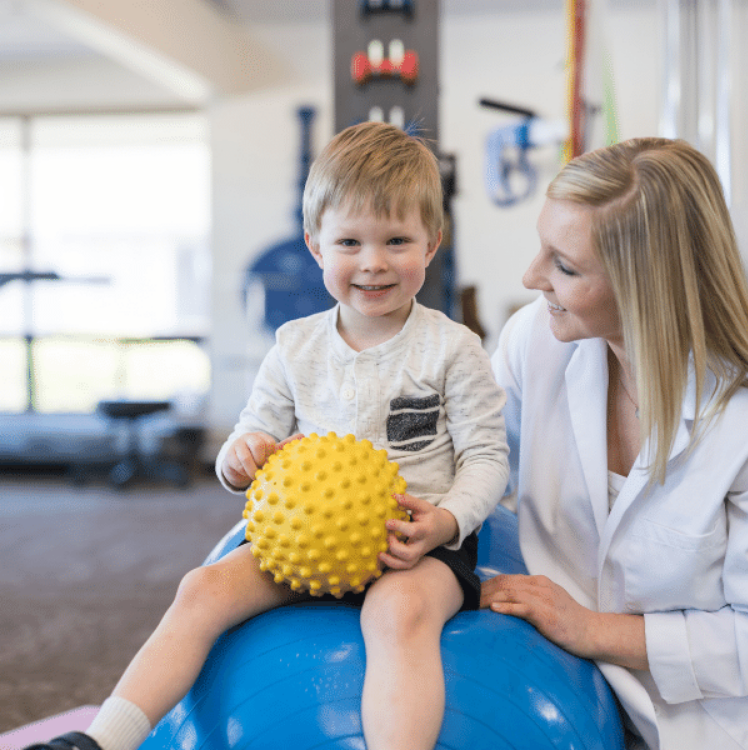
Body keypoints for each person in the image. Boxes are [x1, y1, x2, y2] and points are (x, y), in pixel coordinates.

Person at [30, 121, 509, 750]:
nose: (372, 262)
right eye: (349, 242)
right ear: (315, 245)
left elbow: (487, 458)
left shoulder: (453, 348)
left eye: (397, 240)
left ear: (432, 243)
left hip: (414, 549)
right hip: (305, 542)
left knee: (397, 614)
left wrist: (444, 524)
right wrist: (240, 458)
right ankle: (101, 740)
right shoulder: (294, 346)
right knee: (200, 589)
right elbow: (251, 436)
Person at [482, 137, 748, 749]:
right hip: (556, 688)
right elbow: (470, 467)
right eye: (542, 247)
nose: (531, 277)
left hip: (702, 724)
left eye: (564, 266)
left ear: (644, 287)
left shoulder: (740, 421)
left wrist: (591, 629)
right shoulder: (538, 341)